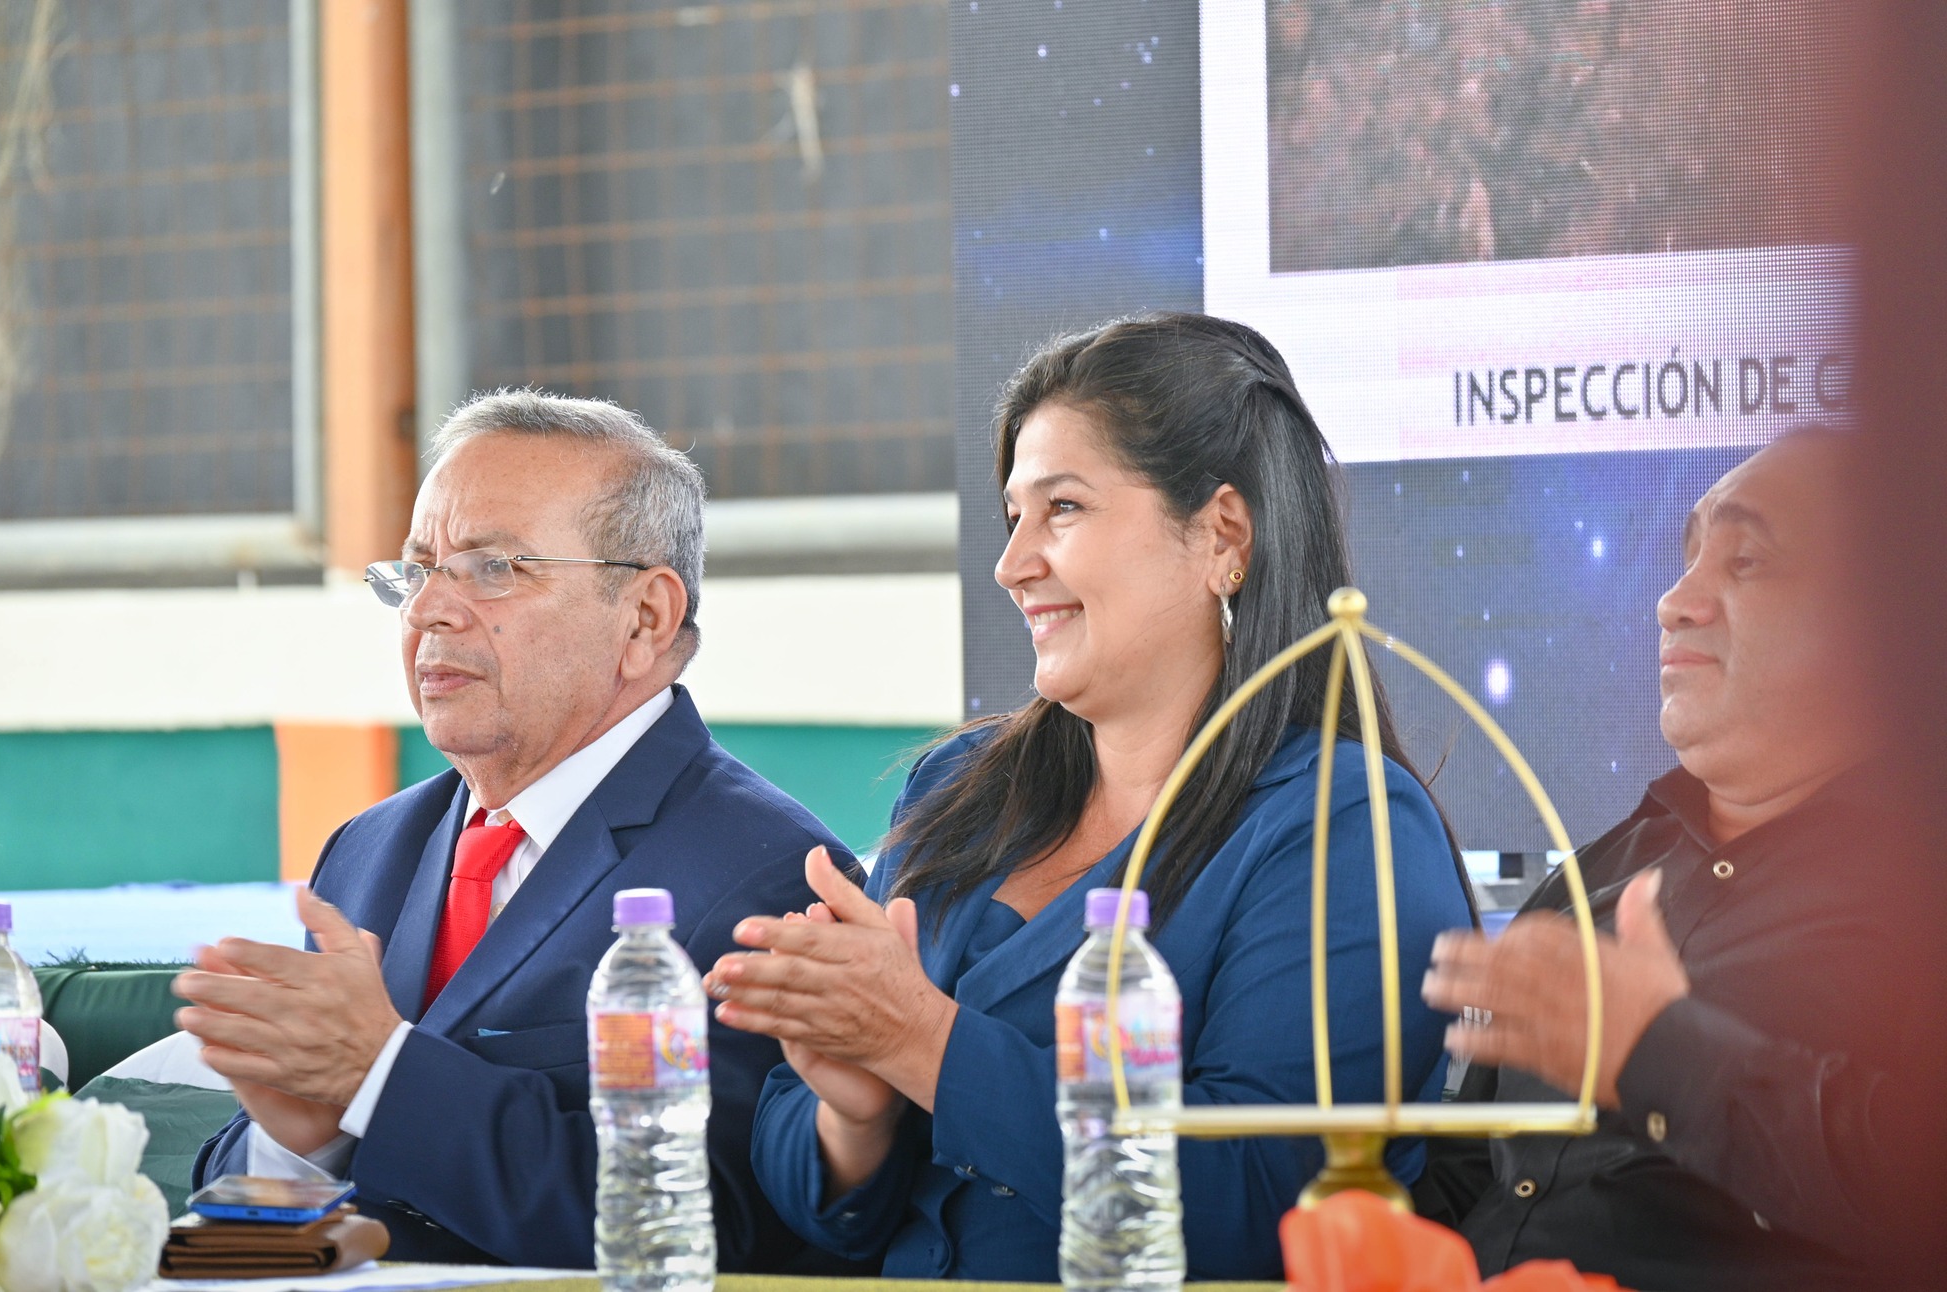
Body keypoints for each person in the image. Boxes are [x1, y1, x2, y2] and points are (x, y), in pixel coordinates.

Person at [710, 313, 1477, 1281]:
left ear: (1222, 535)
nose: (1011, 563)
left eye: (1062, 508)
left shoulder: (1348, 829)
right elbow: (807, 1192)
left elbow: (1264, 1207)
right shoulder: (956, 786)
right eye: (1013, 516)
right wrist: (854, 1113)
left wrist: (922, 1043)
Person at [174, 391, 855, 1269]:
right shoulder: (366, 851)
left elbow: (723, 1224)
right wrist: (303, 1143)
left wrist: (381, 1077)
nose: (429, 611)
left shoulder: (769, 877)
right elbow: (241, 1224)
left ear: (644, 617)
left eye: (493, 568)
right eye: (419, 570)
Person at [1420, 430, 1939, 1290]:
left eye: (1746, 563)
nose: (1674, 601)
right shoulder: (1597, 876)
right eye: (1688, 557)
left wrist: (1658, 1054)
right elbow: (1468, 1177)